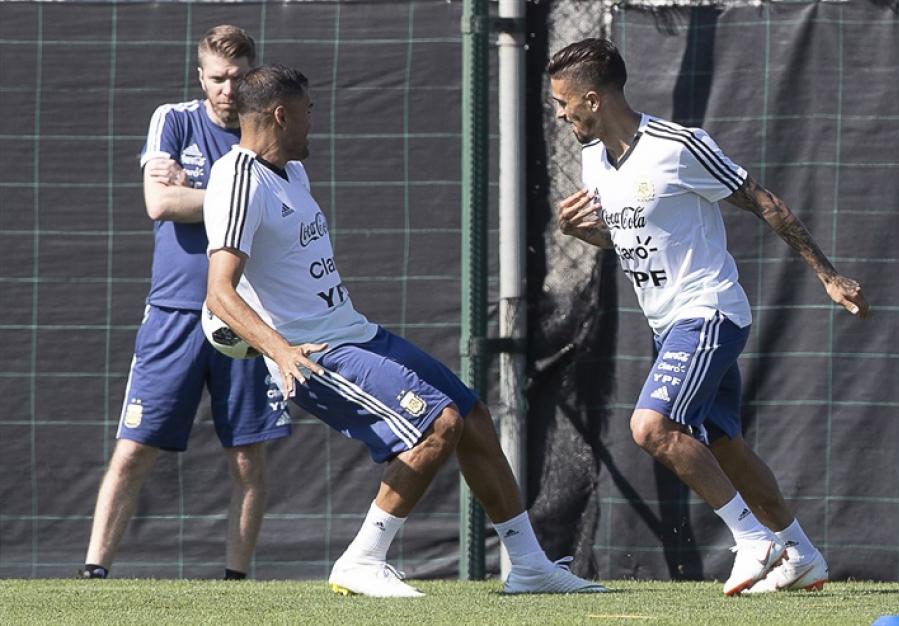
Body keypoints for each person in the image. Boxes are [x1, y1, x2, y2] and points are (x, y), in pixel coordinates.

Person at [202, 63, 607, 598]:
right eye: (307, 111)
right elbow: (219, 293)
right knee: (437, 426)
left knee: (471, 415)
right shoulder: (237, 178)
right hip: (315, 351)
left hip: (355, 331)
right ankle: (361, 560)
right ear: (280, 115)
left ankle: (529, 565)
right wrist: (280, 352)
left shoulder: (291, 173)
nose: (312, 121)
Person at [547, 38, 869, 595]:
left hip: (709, 310)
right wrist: (581, 233)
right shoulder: (593, 158)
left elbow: (766, 202)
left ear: (593, 99)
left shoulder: (679, 146)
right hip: (667, 324)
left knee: (651, 427)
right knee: (724, 445)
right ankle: (801, 553)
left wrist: (828, 275)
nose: (559, 113)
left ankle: (752, 540)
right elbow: (623, 238)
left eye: (563, 103)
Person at [80, 26, 289, 581]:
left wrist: (198, 197)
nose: (227, 88)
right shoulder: (173, 119)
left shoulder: (269, 130)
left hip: (244, 318)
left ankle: (235, 581)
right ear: (201, 77)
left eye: (238, 77)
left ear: (254, 75)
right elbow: (159, 202)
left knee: (248, 455)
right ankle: (94, 570)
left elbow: (273, 210)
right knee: (135, 447)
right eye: (217, 78)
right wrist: (232, 198)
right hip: (173, 313)